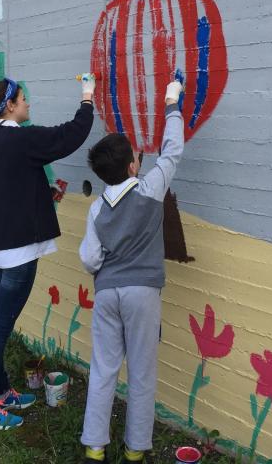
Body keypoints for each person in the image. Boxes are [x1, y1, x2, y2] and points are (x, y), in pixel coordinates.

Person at [0, 74, 95, 431]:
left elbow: (8, 189)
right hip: (17, 252)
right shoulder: (20, 139)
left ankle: (0, 391)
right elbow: (71, 134)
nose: (28, 104)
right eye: (23, 99)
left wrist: (41, 193)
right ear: (9, 105)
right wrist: (87, 97)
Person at [78, 80, 184, 464]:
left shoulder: (96, 209)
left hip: (107, 293)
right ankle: (135, 448)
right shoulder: (150, 189)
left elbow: (89, 259)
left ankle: (94, 445)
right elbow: (172, 151)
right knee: (141, 373)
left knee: (103, 369)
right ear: (133, 166)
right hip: (142, 294)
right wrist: (171, 103)